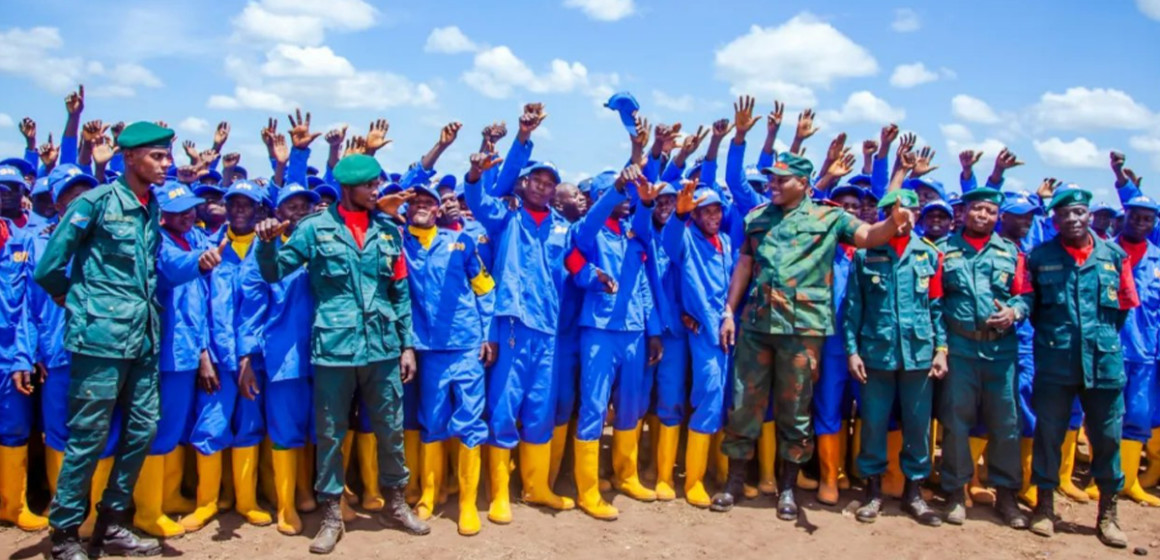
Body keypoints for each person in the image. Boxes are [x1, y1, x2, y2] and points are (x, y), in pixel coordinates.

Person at [713, 151, 912, 519]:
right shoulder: (757, 218)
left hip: (802, 329)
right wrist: (729, 311)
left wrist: (892, 222)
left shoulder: (829, 216)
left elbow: (869, 236)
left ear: (803, 184)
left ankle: (787, 488)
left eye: (781, 180)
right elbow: (744, 263)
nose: (772, 184)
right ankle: (734, 482)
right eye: (771, 179)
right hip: (757, 325)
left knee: (796, 409)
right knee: (744, 404)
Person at [255, 153, 429, 554]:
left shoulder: (388, 230)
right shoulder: (314, 229)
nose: (376, 192)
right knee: (330, 432)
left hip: (383, 347)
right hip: (334, 349)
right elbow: (274, 271)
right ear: (348, 189)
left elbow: (398, 291)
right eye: (369, 186)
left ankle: (395, 502)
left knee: (390, 427)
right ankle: (331, 513)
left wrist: (406, 345)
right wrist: (266, 246)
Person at [35, 121, 173, 559]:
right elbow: (49, 267)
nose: (166, 164)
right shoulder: (95, 202)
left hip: (143, 338)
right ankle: (63, 535)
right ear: (129, 157)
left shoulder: (151, 206)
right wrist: (77, 300)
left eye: (167, 156)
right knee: (88, 437)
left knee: (142, 429)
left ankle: (112, 523)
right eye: (157, 156)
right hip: (100, 341)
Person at [461, 104, 576, 525]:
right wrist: (520, 139)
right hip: (511, 326)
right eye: (538, 180)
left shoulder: (561, 227)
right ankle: (500, 495)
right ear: (524, 183)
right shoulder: (505, 217)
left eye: (551, 183)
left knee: (540, 406)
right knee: (504, 405)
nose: (544, 187)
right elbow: (476, 197)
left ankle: (536, 486)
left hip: (547, 330)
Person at [1024, 188, 1136, 549]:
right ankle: (1044, 507)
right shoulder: (1040, 257)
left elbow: (1122, 308)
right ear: (1054, 220)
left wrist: (1096, 341)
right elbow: (1032, 306)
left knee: (1107, 439)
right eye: (1065, 214)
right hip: (1056, 361)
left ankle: (1108, 514)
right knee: (1049, 435)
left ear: (1089, 216)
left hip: (1103, 363)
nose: (1072, 219)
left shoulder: (1115, 257)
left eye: (1079, 212)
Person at [845, 188, 945, 526]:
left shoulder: (929, 255)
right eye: (896, 212)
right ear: (886, 216)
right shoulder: (865, 255)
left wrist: (941, 350)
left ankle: (913, 494)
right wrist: (852, 351)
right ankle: (872, 491)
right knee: (873, 422)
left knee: (918, 426)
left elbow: (936, 307)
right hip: (876, 353)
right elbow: (853, 309)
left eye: (909, 211)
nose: (904, 218)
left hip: (919, 354)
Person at [568, 166, 662, 519]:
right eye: (619, 195)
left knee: (630, 406)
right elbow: (589, 226)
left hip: (634, 332)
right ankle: (587, 490)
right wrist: (616, 188)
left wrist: (652, 331)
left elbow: (643, 287)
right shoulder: (588, 233)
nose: (626, 201)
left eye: (628, 197)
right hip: (600, 331)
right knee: (594, 407)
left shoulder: (633, 236)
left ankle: (626, 475)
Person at [401, 182, 494, 535]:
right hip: (428, 350)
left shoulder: (460, 242)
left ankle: (467, 504)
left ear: (439, 210)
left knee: (470, 421)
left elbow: (485, 287)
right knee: (432, 421)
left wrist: (487, 334)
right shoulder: (399, 243)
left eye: (430, 202)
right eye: (417, 202)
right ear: (409, 209)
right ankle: (429, 493)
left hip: (467, 344)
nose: (423, 206)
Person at [30, 165, 117, 541]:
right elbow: (24, 308)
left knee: (103, 432)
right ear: (58, 202)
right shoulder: (37, 242)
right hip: (56, 356)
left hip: (99, 349)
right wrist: (28, 354)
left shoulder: (105, 241)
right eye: (72, 193)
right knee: (60, 434)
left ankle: (95, 510)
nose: (80, 199)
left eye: (87, 192)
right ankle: (64, 511)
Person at [936, 187, 1030, 529]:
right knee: (956, 422)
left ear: (998, 216)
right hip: (960, 348)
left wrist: (1015, 313)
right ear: (963, 212)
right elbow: (935, 303)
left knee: (1006, 424)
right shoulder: (944, 250)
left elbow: (1026, 296)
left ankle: (1006, 494)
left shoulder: (1011, 251)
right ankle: (955, 493)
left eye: (990, 211)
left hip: (1001, 350)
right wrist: (941, 348)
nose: (983, 216)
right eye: (977, 209)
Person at [185, 180, 271, 531]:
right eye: (233, 204)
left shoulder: (269, 250)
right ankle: (207, 502)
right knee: (211, 425)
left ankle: (246, 501)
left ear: (259, 211)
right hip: (218, 359)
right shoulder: (209, 248)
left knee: (250, 424)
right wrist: (203, 353)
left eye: (246, 205)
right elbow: (196, 305)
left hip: (256, 359)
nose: (238, 210)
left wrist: (250, 354)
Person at [237, 183, 321, 535]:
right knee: (285, 431)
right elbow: (251, 306)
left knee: (321, 428)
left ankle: (311, 491)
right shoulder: (264, 250)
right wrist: (245, 357)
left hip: (325, 354)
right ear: (277, 213)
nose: (299, 211)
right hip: (283, 357)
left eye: (305, 205)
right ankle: (287, 506)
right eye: (292, 206)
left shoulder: (321, 243)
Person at [0, 167, 43, 533]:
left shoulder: (28, 238)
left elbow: (29, 304)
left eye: (11, 189)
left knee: (14, 427)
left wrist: (23, 355)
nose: (4, 196)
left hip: (9, 350)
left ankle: (13, 505)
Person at [1110, 194, 1160, 507]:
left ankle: (1128, 482)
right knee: (1106, 416)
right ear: (1124, 216)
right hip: (1109, 348)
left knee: (1139, 415)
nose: (1140, 223)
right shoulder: (1105, 252)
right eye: (1135, 216)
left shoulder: (1158, 260)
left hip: (1145, 353)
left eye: (1148, 219)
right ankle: (1103, 479)